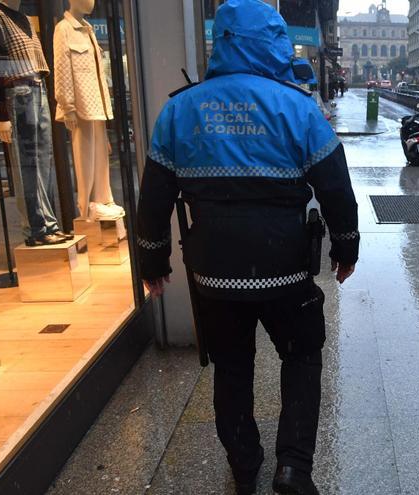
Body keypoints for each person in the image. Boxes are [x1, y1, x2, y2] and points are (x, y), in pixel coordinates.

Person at [135, 1, 359, 494]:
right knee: (302, 356)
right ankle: (293, 468)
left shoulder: (180, 109)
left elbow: (153, 198)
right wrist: (347, 246)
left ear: (224, 41)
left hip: (213, 272)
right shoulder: (297, 106)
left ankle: (244, 465)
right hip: (285, 267)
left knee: (231, 366)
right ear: (273, 41)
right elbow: (335, 186)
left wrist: (151, 258)